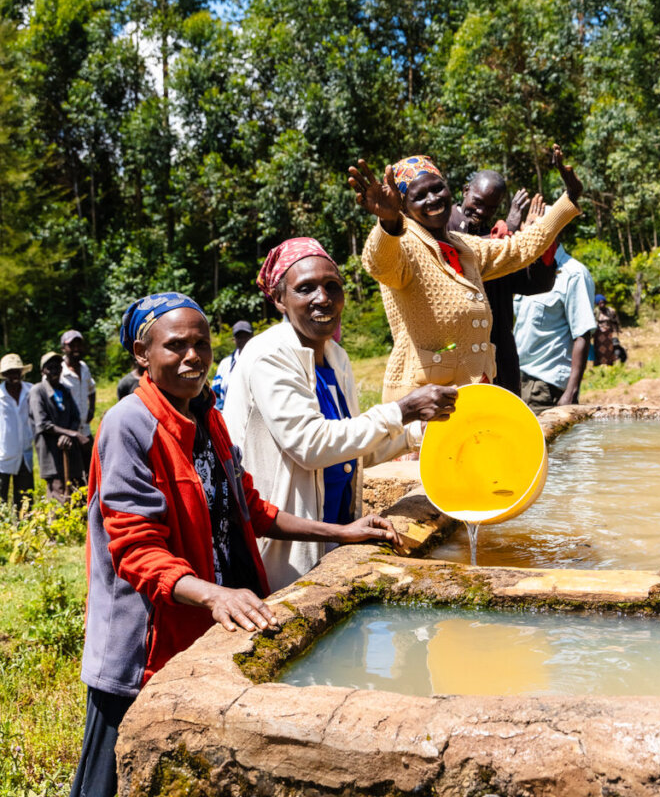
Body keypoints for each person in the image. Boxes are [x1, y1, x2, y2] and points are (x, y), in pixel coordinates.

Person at [70, 291, 399, 797]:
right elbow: (136, 549)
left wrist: (341, 533)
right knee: (109, 782)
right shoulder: (128, 425)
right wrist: (214, 594)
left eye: (201, 344)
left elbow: (249, 508)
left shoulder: (208, 416)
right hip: (145, 646)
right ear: (142, 354)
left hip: (203, 629)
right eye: (175, 346)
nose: (192, 357)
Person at [224, 238, 457, 590]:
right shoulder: (268, 355)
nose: (323, 298)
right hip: (282, 547)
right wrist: (402, 409)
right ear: (279, 300)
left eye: (333, 286)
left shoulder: (335, 357)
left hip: (334, 531)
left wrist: (418, 431)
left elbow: (351, 448)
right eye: (306, 289)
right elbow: (311, 446)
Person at [348, 145, 583, 401]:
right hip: (425, 405)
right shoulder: (403, 245)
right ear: (404, 207)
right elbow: (378, 264)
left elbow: (519, 248)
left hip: (476, 394)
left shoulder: (462, 246)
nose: (433, 199)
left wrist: (568, 198)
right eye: (419, 196)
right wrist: (388, 222)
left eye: (437, 188)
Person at [448, 172, 557, 395]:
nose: (481, 212)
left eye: (490, 207)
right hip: (456, 358)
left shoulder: (495, 233)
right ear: (465, 191)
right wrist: (507, 232)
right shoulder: (446, 222)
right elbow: (457, 255)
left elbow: (532, 284)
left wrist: (539, 239)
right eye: (477, 202)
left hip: (499, 354)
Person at [513, 244, 597, 414]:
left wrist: (571, 393)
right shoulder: (526, 269)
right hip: (518, 382)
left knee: (544, 441)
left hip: (545, 388)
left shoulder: (573, 274)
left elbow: (582, 335)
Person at [29, 352, 87, 502]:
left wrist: (67, 435)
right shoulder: (37, 391)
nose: (55, 371)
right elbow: (42, 424)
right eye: (50, 368)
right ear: (43, 371)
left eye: (57, 367)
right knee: (58, 494)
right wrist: (73, 434)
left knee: (76, 491)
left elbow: (76, 417)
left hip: (70, 450)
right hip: (51, 454)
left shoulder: (64, 390)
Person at [0, 353, 34, 511]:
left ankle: (25, 529)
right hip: (3, 455)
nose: (14, 375)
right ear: (4, 375)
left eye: (16, 371)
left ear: (22, 372)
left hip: (25, 453)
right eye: (10, 372)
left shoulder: (31, 391)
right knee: (1, 498)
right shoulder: (0, 396)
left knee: (25, 499)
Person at [60, 330, 96, 474]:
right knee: (73, 474)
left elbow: (91, 389)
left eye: (78, 345)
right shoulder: (58, 372)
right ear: (63, 348)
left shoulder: (84, 367)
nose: (76, 349)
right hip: (69, 432)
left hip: (85, 429)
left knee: (91, 469)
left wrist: (92, 409)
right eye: (71, 345)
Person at [211, 320, 253, 411]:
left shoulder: (261, 361)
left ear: (252, 337)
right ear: (234, 339)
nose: (243, 340)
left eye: (246, 336)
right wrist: (223, 413)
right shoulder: (225, 364)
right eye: (239, 337)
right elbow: (215, 394)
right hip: (228, 418)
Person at [593, 294, 621, 366]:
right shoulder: (595, 312)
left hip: (608, 334)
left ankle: (609, 363)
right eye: (600, 303)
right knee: (599, 350)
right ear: (597, 304)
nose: (602, 304)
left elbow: (615, 321)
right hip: (599, 334)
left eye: (603, 302)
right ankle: (599, 364)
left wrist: (617, 330)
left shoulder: (610, 311)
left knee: (609, 350)